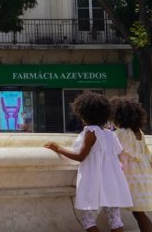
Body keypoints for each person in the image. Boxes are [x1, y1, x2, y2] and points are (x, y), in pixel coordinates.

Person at [44, 92, 132, 232]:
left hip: (95, 183)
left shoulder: (91, 132)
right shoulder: (110, 134)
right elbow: (118, 154)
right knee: (115, 221)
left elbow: (80, 156)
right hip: (112, 182)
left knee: (88, 221)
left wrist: (58, 148)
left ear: (84, 115)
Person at [110, 96, 152, 232]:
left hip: (132, 178)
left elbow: (112, 152)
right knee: (139, 213)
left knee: (139, 213)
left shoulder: (120, 133)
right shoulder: (138, 132)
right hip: (143, 175)